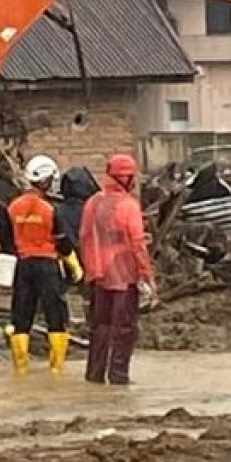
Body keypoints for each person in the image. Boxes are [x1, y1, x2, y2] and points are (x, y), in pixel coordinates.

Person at [81, 154, 156, 386]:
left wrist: (90, 269)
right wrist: (148, 277)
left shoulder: (92, 202)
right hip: (124, 277)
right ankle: (119, 376)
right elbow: (138, 245)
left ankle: (94, 375)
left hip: (98, 275)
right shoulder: (129, 205)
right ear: (127, 178)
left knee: (99, 327)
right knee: (124, 329)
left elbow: (84, 237)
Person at [8, 155, 83, 376]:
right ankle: (56, 369)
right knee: (55, 315)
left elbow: (7, 239)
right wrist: (74, 266)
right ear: (46, 181)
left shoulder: (13, 207)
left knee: (21, 317)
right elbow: (62, 242)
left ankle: (20, 369)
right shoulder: (50, 210)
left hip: (23, 266)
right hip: (48, 266)